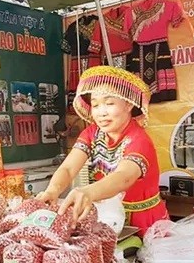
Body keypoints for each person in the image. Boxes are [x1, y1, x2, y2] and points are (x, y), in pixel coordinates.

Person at [37, 65, 169, 235]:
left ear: (128, 104)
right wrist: (53, 190)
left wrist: (87, 192)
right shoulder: (92, 133)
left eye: (109, 103)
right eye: (96, 105)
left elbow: (123, 178)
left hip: (143, 222)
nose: (101, 112)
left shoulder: (139, 140)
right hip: (108, 216)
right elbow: (69, 168)